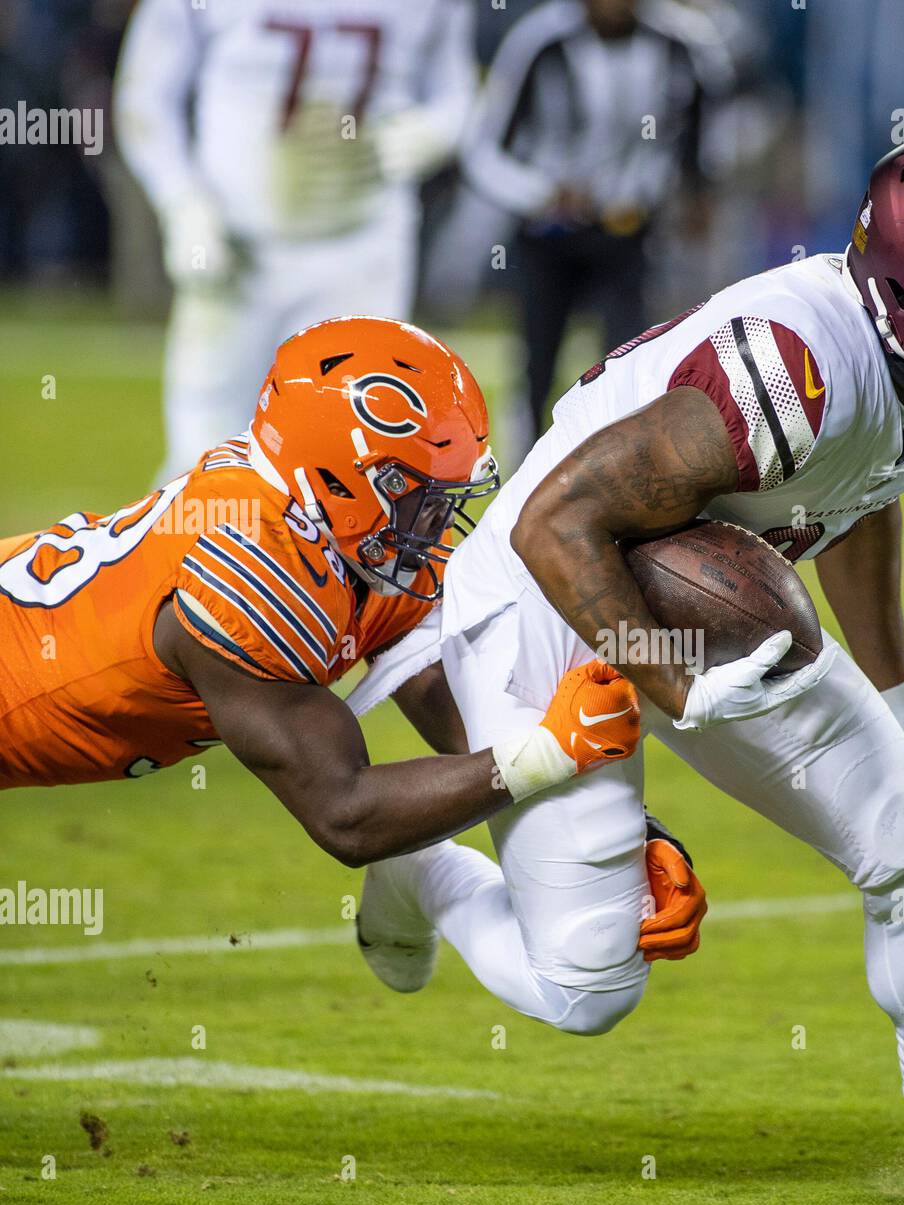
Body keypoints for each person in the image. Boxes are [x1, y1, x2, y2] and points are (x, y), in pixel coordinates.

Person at [354, 133, 904, 1205]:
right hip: (551, 597)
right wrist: (676, 689)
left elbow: (856, 494)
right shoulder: (791, 368)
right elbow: (560, 522)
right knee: (588, 984)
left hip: (701, 591)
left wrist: (897, 695)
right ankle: (422, 869)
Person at [0, 315, 704, 967]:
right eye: (418, 494)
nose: (436, 521)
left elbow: (452, 693)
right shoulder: (250, 568)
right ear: (337, 474)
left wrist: (628, 830)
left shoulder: (334, 526)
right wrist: (549, 752)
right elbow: (347, 816)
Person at [114, 0, 478, 482]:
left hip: (363, 245)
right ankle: (199, 556)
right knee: (204, 457)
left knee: (353, 458)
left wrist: (433, 132)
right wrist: (183, 202)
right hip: (236, 242)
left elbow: (457, 92)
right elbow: (145, 96)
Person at [461, 0, 730, 438]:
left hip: (629, 228)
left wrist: (696, 191)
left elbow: (707, 129)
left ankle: (618, 468)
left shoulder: (683, 43)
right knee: (538, 360)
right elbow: (483, 150)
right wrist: (543, 192)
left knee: (630, 358)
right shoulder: (539, 41)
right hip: (549, 232)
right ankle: (529, 467)